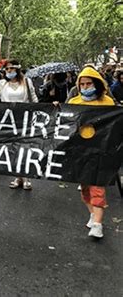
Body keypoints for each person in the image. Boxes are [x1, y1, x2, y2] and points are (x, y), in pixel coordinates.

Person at [67, 66, 115, 239]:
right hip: (80, 152)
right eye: (83, 84)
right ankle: (93, 215)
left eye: (89, 83)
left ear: (97, 84)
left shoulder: (108, 103)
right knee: (85, 189)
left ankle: (98, 224)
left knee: (97, 188)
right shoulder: (73, 103)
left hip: (101, 152)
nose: (86, 87)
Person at [0, 60, 38, 190]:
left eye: (11, 69)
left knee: (25, 148)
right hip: (8, 121)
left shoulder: (27, 82)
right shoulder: (2, 83)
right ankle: (18, 176)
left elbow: (34, 99)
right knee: (13, 149)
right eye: (6, 69)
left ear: (17, 70)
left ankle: (27, 177)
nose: (8, 72)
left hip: (24, 120)